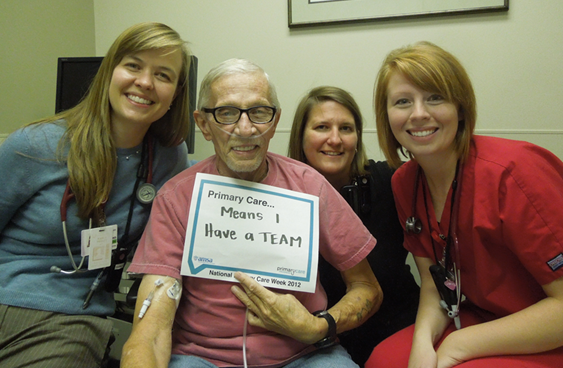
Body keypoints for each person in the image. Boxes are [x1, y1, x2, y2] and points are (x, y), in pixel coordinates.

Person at [121, 58, 383, 368]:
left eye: (259, 112)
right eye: (226, 113)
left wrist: (317, 326)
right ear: (204, 124)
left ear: (274, 122)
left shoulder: (310, 187)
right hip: (202, 358)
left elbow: (367, 288)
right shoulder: (177, 198)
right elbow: (151, 328)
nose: (245, 129)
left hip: (305, 354)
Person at [0, 22, 191, 367]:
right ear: (109, 72)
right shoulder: (34, 145)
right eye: (133, 65)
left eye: (163, 75)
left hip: (70, 316)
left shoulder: (168, 157)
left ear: (175, 94)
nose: (145, 82)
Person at [365, 41, 563, 368]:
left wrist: (459, 345)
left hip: (546, 326)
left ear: (460, 106)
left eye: (434, 97)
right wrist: (422, 344)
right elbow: (433, 283)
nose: (418, 114)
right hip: (480, 316)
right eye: (402, 101)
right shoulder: (404, 183)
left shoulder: (515, 173)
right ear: (387, 116)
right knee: (383, 361)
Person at [288, 86, 419, 365]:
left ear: (357, 138)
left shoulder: (389, 181)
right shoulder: (280, 198)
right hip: (319, 347)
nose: (334, 139)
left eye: (346, 128)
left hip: (399, 330)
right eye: (322, 127)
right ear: (300, 137)